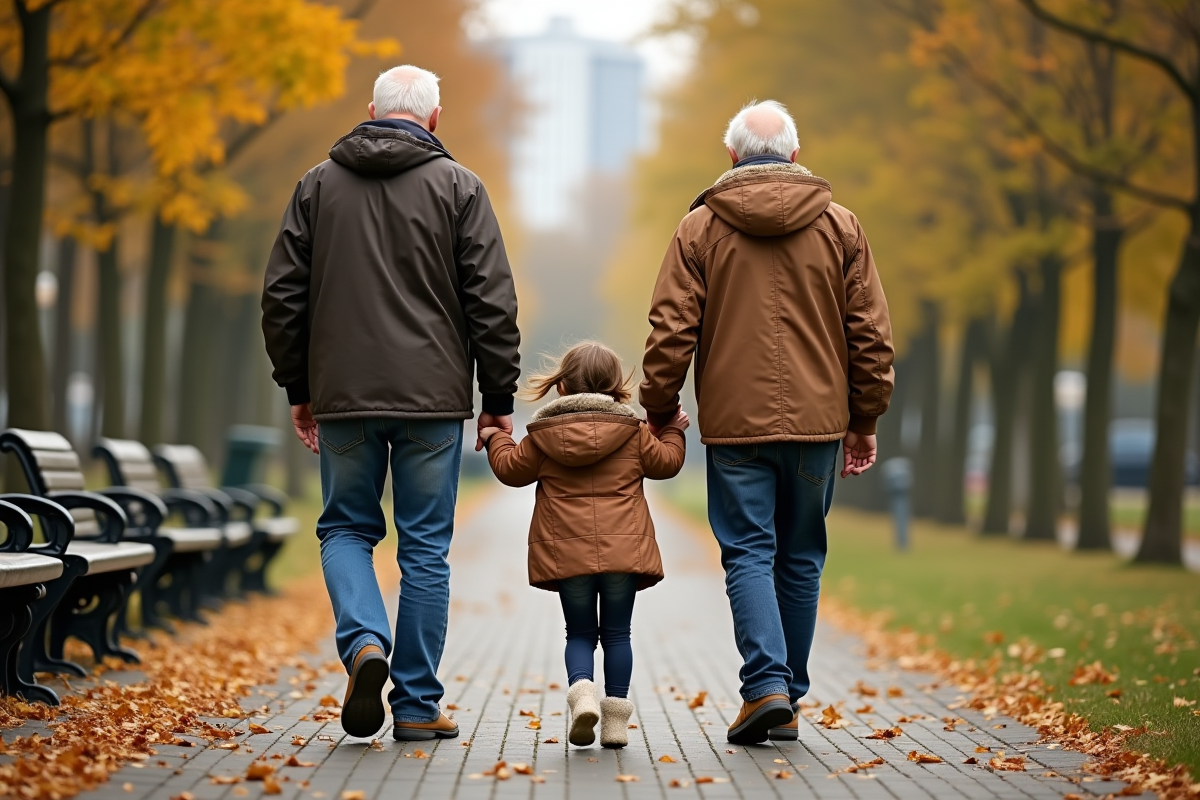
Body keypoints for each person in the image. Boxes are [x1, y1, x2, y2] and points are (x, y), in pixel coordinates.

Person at [261, 65, 521, 741]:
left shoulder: (317, 184)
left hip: (343, 397)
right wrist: (497, 397)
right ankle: (415, 705)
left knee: (346, 527)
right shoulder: (461, 188)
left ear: (371, 109)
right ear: (434, 119)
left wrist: (301, 387)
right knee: (426, 549)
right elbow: (491, 302)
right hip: (432, 402)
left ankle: (364, 643)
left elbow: (282, 295)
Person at [639, 100, 895, 745]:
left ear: (730, 157)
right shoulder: (841, 226)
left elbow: (671, 330)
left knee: (749, 551)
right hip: (818, 424)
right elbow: (869, 333)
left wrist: (661, 406)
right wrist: (864, 417)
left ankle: (766, 688)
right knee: (801, 554)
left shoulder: (699, 228)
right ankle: (788, 694)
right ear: (795, 155)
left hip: (735, 424)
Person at [479, 342, 688, 748]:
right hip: (622, 556)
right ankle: (614, 724)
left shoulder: (542, 437)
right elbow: (667, 463)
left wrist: (493, 438)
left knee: (578, 633)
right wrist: (675, 429)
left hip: (567, 556)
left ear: (561, 387)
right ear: (616, 387)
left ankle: (582, 693)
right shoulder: (634, 433)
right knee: (617, 634)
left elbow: (509, 470)